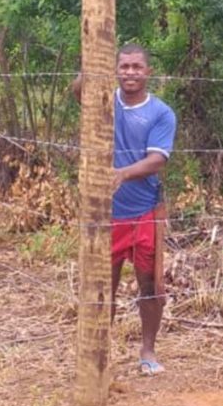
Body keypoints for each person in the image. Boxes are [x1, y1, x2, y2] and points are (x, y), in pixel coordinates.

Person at [72, 43, 176, 375]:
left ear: (148, 72)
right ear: (115, 69)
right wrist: (94, 62)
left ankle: (147, 351)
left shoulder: (160, 113)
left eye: (136, 67)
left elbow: (158, 159)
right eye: (124, 66)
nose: (130, 72)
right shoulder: (104, 100)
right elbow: (78, 91)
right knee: (103, 287)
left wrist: (122, 174)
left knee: (150, 286)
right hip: (105, 215)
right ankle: (100, 354)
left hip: (145, 212)